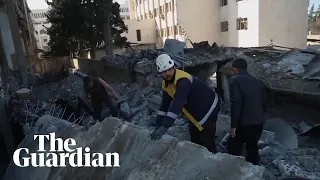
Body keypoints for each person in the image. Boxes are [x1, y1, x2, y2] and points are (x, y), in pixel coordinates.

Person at [150, 54, 221, 153]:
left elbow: (177, 104)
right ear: (160, 73)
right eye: (164, 72)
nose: (168, 73)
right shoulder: (166, 84)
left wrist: (164, 127)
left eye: (170, 70)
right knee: (194, 137)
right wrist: (158, 125)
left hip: (209, 107)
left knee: (207, 140)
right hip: (195, 108)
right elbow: (164, 105)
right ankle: (197, 158)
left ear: (174, 67)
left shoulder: (183, 81)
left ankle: (213, 160)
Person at [227, 58, 267, 165]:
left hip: (244, 124)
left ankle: (233, 172)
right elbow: (264, 104)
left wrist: (234, 126)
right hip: (258, 123)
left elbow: (236, 104)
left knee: (233, 149)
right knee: (252, 148)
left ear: (235, 69)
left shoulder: (234, 81)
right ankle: (254, 172)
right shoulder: (258, 82)